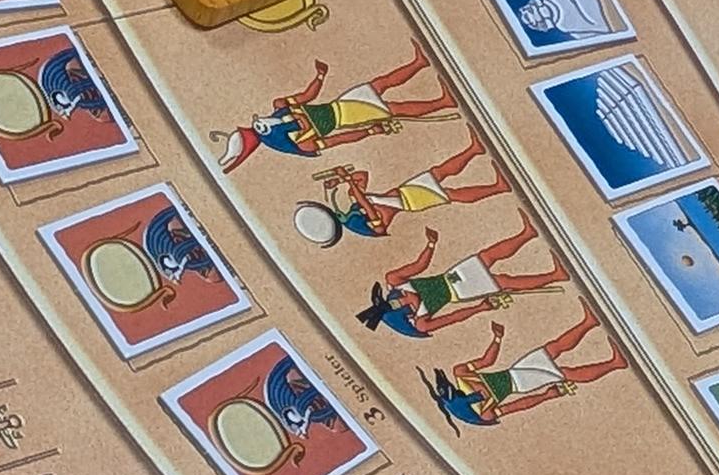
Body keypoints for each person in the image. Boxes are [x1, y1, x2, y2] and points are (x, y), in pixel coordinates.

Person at [215, 50, 456, 172]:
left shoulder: (280, 107)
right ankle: (444, 102)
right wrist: (369, 131)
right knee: (394, 107)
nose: (261, 124)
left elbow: (308, 96)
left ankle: (419, 63)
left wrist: (320, 76)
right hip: (346, 116)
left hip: (339, 103)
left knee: (380, 84)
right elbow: (338, 139)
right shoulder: (301, 143)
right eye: (259, 129)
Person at [357, 221, 571, 339]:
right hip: (460, 291)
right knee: (505, 281)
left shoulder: (395, 281)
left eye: (391, 301)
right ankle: (556, 275)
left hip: (450, 275)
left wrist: (431, 245)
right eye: (394, 305)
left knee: (487, 256)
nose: (397, 301)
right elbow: (454, 317)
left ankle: (527, 234)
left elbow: (419, 265)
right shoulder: (420, 322)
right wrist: (480, 307)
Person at [426, 308, 626, 425]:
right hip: (521, 383)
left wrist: (497, 339)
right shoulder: (484, 411)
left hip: (514, 371)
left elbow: (487, 361)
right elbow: (519, 405)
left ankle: (589, 323)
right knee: (565, 372)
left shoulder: (461, 375)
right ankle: (615, 363)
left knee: (553, 348)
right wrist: (546, 396)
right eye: (450, 392)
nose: (452, 388)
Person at [293, 141, 508, 247]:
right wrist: (348, 181)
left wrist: (341, 179)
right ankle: (498, 187)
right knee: (451, 193)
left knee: (439, 172)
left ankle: (474, 150)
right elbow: (375, 219)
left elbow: (362, 176)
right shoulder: (356, 222)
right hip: (408, 201)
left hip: (404, 192)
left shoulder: (352, 208)